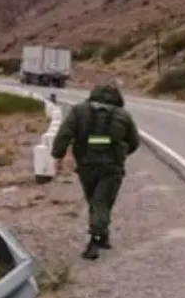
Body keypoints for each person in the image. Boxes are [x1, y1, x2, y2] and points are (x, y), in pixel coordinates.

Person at [50, 81, 139, 260]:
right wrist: (120, 154)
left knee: (95, 200)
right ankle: (97, 239)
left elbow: (64, 135)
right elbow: (134, 142)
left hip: (86, 165)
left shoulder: (78, 111)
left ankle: (101, 234)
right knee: (102, 201)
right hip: (111, 167)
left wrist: (57, 156)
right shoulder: (123, 115)